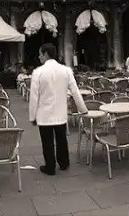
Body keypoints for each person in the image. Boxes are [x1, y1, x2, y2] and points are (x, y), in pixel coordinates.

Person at [29, 43, 87, 176]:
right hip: (60, 112)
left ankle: (50, 167)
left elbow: (34, 97)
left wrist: (32, 116)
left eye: (40, 54)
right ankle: (64, 163)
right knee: (62, 139)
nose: (39, 57)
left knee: (47, 142)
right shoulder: (66, 70)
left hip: (44, 114)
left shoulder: (38, 72)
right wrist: (83, 109)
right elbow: (75, 91)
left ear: (45, 54)